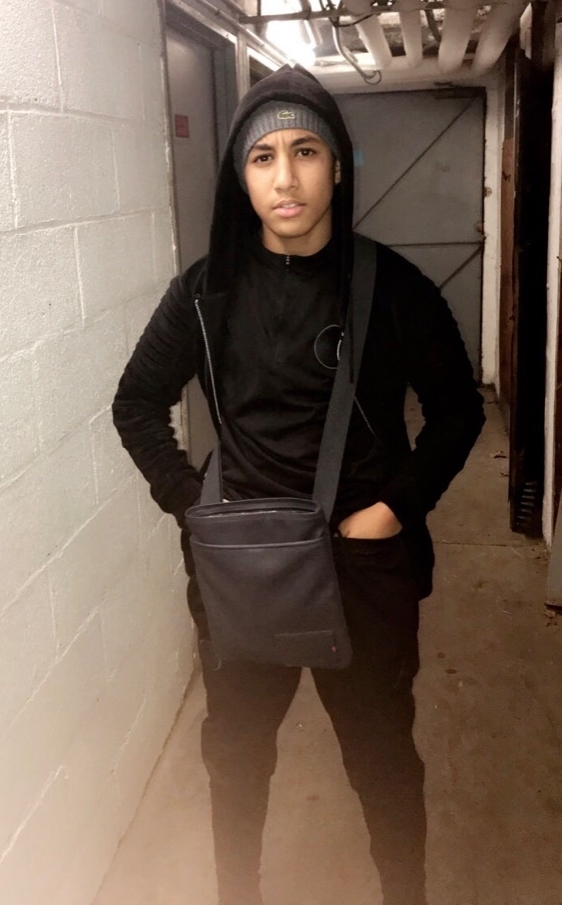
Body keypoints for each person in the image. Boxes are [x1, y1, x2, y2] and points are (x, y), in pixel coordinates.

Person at [112, 64, 485, 905]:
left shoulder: (393, 289)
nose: (285, 178)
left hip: (363, 572)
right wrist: (191, 505)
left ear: (337, 166)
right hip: (242, 571)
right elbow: (135, 403)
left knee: (381, 760)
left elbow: (458, 412)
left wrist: (393, 509)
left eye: (305, 152)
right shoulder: (203, 295)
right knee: (236, 758)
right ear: (240, 176)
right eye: (263, 157)